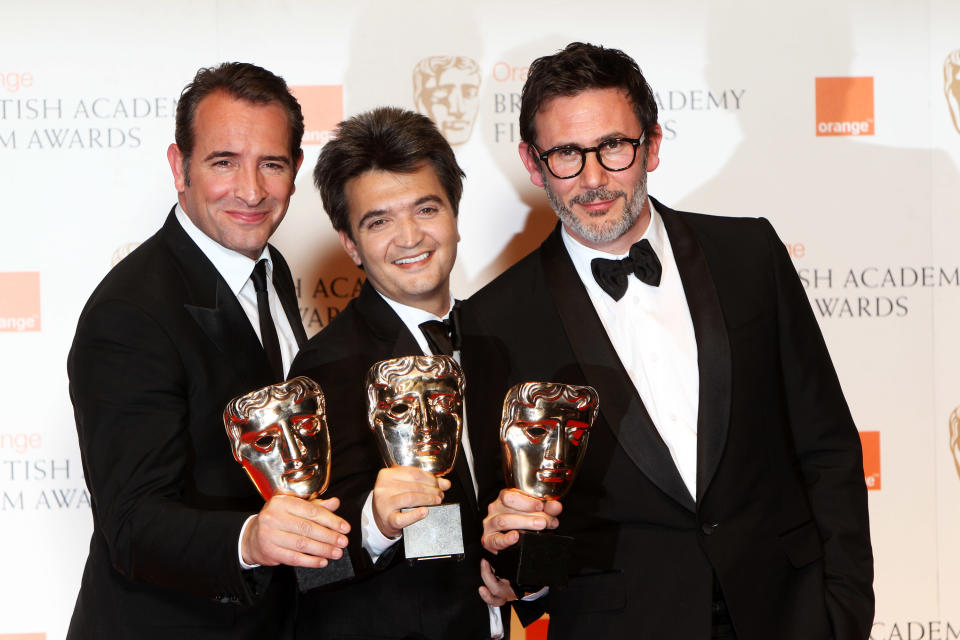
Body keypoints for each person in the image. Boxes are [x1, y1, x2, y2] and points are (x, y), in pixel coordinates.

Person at [468, 42, 875, 640]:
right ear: (532, 164)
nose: (594, 178)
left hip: (788, 613)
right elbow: (508, 525)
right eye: (566, 155)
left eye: (613, 146)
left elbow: (828, 448)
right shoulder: (494, 319)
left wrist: (843, 610)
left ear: (652, 145)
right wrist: (513, 565)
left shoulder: (749, 256)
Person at [67, 62, 350, 640]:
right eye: (224, 163)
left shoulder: (268, 268)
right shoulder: (131, 312)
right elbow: (132, 524)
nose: (251, 191)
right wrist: (251, 539)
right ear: (180, 168)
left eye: (271, 165)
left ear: (296, 170)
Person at [290, 106, 506, 639]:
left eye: (425, 208)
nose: (408, 237)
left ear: (454, 213)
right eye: (379, 220)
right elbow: (306, 565)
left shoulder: (499, 344)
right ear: (350, 244)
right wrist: (376, 522)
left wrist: (526, 576)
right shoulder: (325, 368)